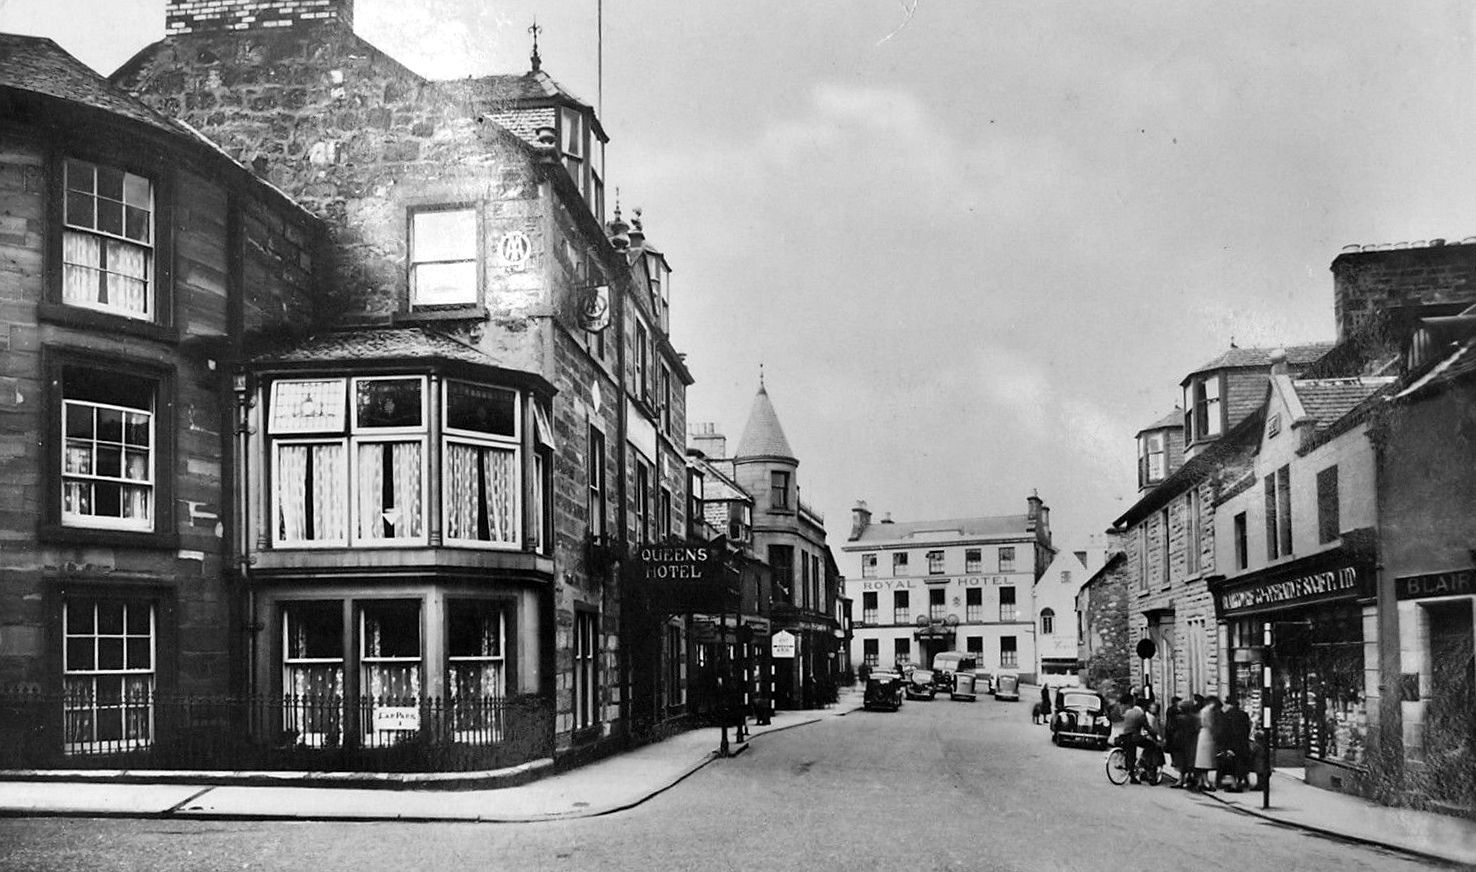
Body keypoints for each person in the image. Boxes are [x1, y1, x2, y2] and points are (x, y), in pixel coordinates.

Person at [1118, 693, 1156, 784]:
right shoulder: (1140, 714)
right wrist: (1155, 736)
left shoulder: (1128, 712)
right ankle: (1143, 760)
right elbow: (1147, 728)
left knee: (1131, 756)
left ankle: (1133, 776)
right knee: (1151, 745)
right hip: (1134, 737)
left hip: (1125, 737)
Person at [1224, 698, 1253, 792]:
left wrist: (1226, 744)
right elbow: (1248, 728)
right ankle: (1242, 781)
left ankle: (1234, 784)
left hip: (1232, 742)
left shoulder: (1227, 715)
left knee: (1231, 764)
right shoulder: (1244, 714)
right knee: (1242, 762)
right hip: (1242, 742)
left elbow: (1225, 730)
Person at [1195, 695, 1223, 791]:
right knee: (1205, 761)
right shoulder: (1208, 712)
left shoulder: (1202, 711)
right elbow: (1210, 725)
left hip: (1202, 735)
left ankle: (1201, 781)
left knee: (1202, 761)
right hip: (1207, 736)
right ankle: (1205, 782)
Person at [1172, 698, 1199, 789]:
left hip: (1181, 741)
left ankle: (1181, 779)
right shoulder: (1195, 718)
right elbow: (1196, 729)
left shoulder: (1179, 718)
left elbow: (1175, 730)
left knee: (1181, 761)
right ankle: (1190, 778)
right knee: (1190, 760)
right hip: (1191, 741)